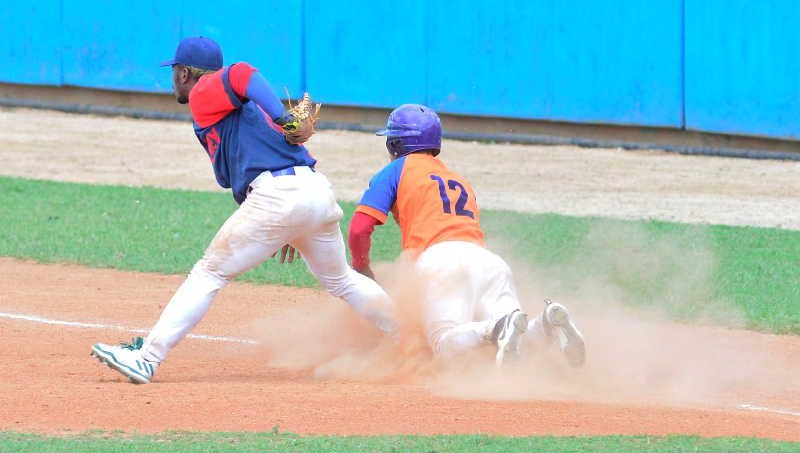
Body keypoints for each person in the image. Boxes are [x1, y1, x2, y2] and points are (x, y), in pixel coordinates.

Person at [91, 36, 395, 384]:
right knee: (341, 280)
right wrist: (286, 229)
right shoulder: (237, 111)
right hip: (313, 191)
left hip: (280, 195)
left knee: (209, 273)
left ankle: (147, 358)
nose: (172, 78)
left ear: (187, 73)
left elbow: (242, 73)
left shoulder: (205, 92)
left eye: (175, 71)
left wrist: (284, 118)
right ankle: (412, 340)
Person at [348, 104, 585, 366]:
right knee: (517, 342)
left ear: (395, 144)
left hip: (442, 262)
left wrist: (361, 268)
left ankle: (494, 328)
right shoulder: (458, 179)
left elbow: (359, 227)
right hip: (489, 263)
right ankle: (546, 322)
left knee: (444, 345)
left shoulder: (396, 170)